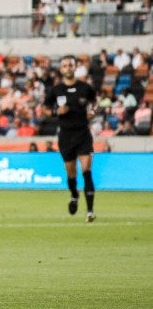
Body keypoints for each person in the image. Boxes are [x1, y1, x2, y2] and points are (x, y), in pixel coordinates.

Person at [44, 55, 98, 222]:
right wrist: (55, 112)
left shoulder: (85, 88)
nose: (68, 68)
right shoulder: (55, 90)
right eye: (65, 65)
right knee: (71, 173)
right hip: (66, 136)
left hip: (83, 134)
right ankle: (74, 195)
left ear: (75, 68)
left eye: (70, 65)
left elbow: (95, 102)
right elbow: (45, 109)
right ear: (61, 69)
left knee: (87, 171)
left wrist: (93, 112)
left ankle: (90, 211)